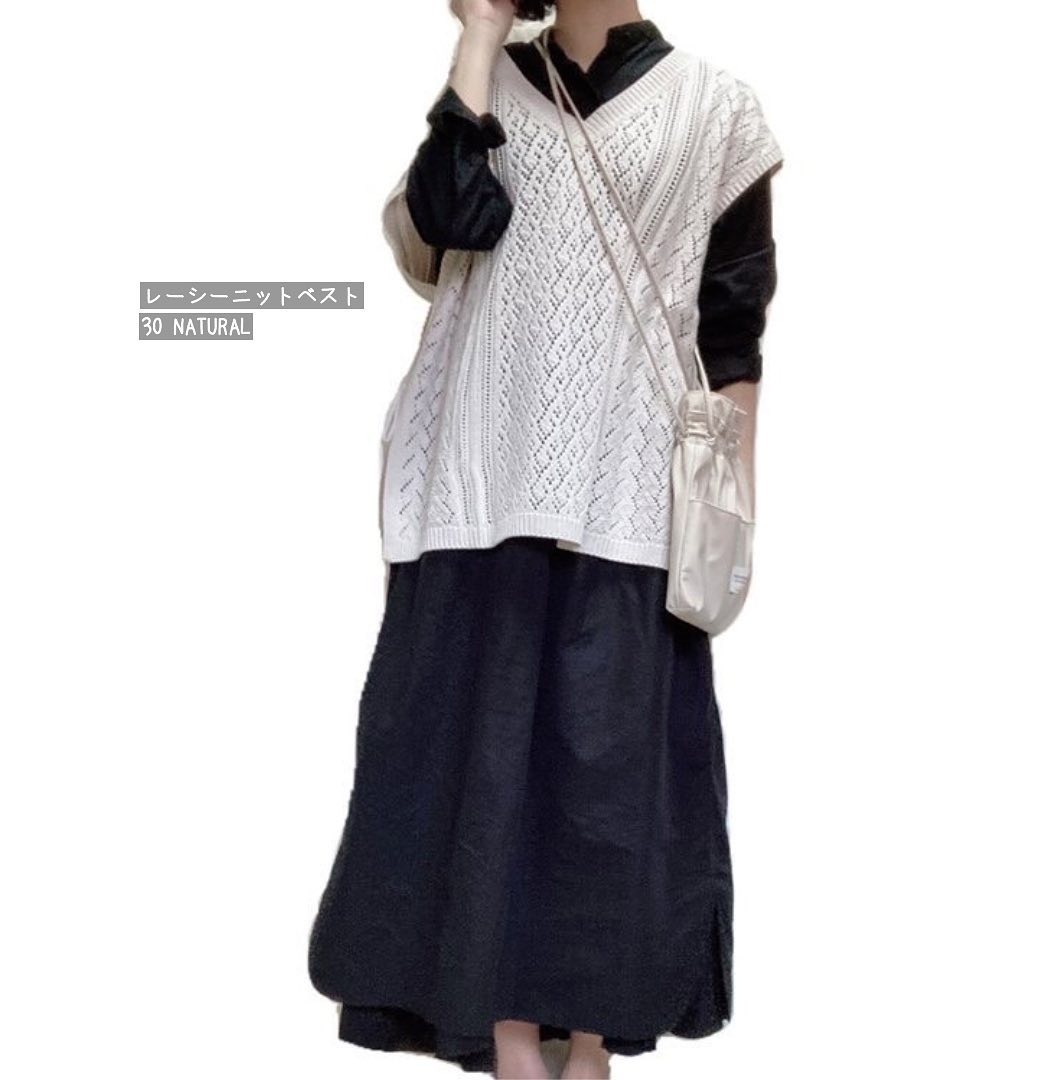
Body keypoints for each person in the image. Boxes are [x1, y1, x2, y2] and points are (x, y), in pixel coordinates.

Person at [307, 1, 784, 1076]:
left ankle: (591, 1043)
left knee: (608, 792)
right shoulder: (488, 90)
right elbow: (445, 225)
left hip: (630, 501)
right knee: (480, 777)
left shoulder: (718, 109)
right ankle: (512, 1038)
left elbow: (733, 327)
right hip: (477, 488)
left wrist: (730, 504)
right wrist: (478, 36)